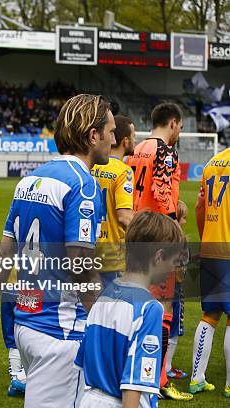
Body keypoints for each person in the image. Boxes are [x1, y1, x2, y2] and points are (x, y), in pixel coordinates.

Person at [0, 94, 112, 407]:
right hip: (62, 332)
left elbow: (3, 256)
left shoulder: (30, 180)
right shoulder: (83, 185)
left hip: (26, 324)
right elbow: (79, 263)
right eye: (109, 130)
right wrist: (103, 324)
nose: (114, 137)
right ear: (93, 136)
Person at [76, 211, 185, 408]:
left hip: (89, 400)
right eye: (174, 260)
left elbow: (83, 361)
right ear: (159, 257)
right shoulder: (150, 309)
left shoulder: (103, 297)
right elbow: (133, 386)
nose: (174, 268)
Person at [126, 103, 191, 400]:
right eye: (180, 126)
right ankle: (159, 379)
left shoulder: (138, 148)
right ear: (173, 123)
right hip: (159, 239)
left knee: (137, 305)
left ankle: (135, 369)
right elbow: (163, 194)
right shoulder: (165, 151)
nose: (180, 132)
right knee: (163, 311)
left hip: (138, 233)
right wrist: (176, 233)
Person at [189, 147, 230, 397]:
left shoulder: (212, 162)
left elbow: (199, 207)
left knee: (210, 315)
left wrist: (205, 239)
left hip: (211, 248)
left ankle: (196, 378)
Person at [91, 114, 135, 287]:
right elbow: (124, 217)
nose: (135, 141)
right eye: (133, 137)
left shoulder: (91, 165)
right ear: (125, 141)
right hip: (112, 256)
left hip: (88, 249)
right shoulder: (123, 171)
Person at [166, 200, 189, 380]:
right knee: (174, 330)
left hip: (161, 290)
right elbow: (180, 274)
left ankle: (163, 367)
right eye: (184, 218)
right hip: (175, 293)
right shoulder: (180, 241)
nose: (185, 222)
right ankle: (167, 368)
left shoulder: (162, 239)